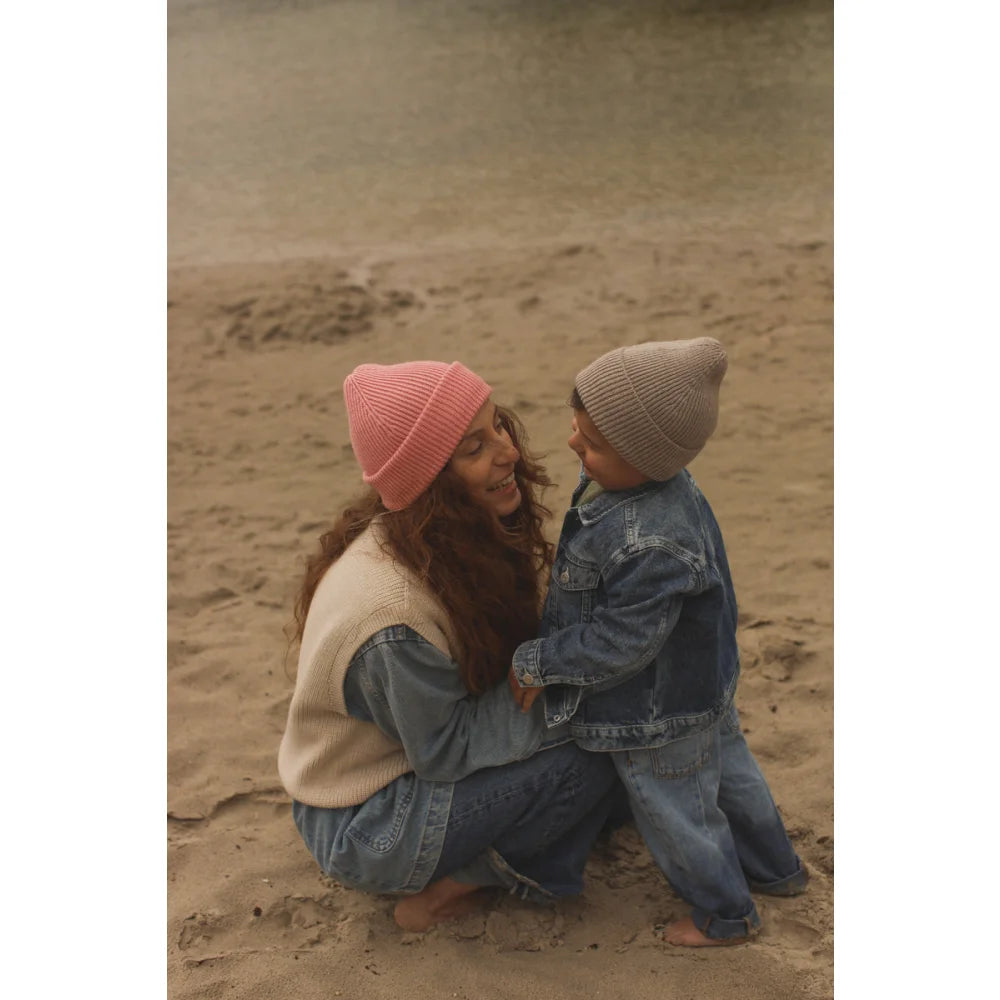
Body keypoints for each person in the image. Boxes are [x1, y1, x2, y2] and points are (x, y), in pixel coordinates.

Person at [278, 359, 621, 933]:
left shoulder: (444, 541)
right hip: (366, 823)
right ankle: (447, 892)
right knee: (594, 753)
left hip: (403, 773)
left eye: (498, 427)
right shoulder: (392, 617)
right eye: (474, 448)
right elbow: (445, 748)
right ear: (431, 482)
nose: (508, 451)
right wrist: (576, 705)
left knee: (615, 735)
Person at [508, 338, 808, 947]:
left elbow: (623, 641)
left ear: (647, 456)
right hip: (700, 683)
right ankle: (778, 870)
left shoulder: (649, 539)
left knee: (677, 811)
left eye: (591, 444)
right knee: (731, 776)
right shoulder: (652, 485)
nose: (573, 446)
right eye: (575, 429)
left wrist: (542, 662)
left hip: (656, 711)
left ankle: (725, 915)